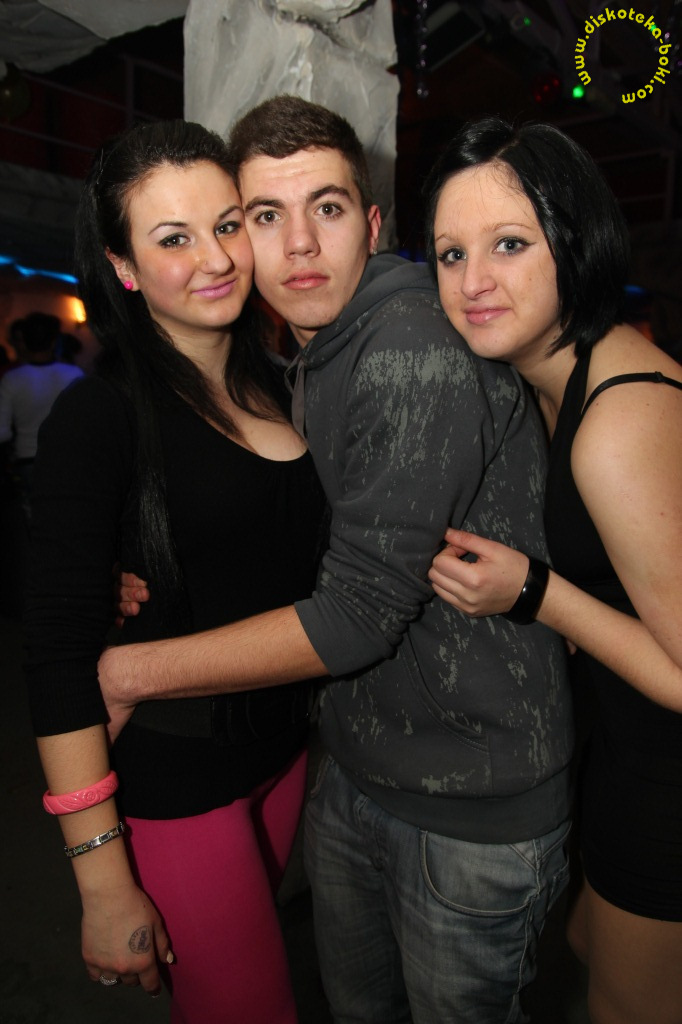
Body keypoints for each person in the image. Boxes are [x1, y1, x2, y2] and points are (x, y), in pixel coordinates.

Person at [106, 96, 573, 1023]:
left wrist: (133, 670)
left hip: (468, 809)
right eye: (264, 216)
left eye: (326, 208)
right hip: (361, 769)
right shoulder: (309, 358)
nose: (299, 247)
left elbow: (356, 614)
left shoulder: (409, 345)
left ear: (372, 224)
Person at [23, 119, 326, 1023]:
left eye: (227, 225)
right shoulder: (99, 417)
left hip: (286, 755)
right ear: (123, 266)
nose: (216, 259)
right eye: (173, 238)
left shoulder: (292, 384)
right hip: (177, 781)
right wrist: (103, 882)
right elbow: (56, 658)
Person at [424, 117, 682, 1024]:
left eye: (509, 244)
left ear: (575, 242)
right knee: (582, 947)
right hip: (623, 751)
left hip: (667, 778)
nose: (473, 281)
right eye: (450, 254)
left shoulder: (615, 419)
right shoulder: (553, 378)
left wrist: (536, 592)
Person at [0, 311, 83, 515]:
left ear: (24, 342)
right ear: (53, 341)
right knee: (68, 515)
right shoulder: (74, 375)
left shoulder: (12, 379)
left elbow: (2, 432)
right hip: (68, 459)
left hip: (28, 460)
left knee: (35, 518)